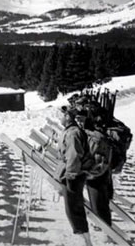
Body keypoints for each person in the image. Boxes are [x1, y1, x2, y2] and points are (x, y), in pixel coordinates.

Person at [55, 105, 92, 246]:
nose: (60, 117)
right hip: (71, 173)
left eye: (62, 115)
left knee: (74, 208)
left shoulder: (72, 133)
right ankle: (84, 238)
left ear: (68, 117)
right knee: (72, 207)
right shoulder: (70, 131)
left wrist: (70, 175)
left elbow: (73, 156)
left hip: (73, 175)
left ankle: (85, 240)